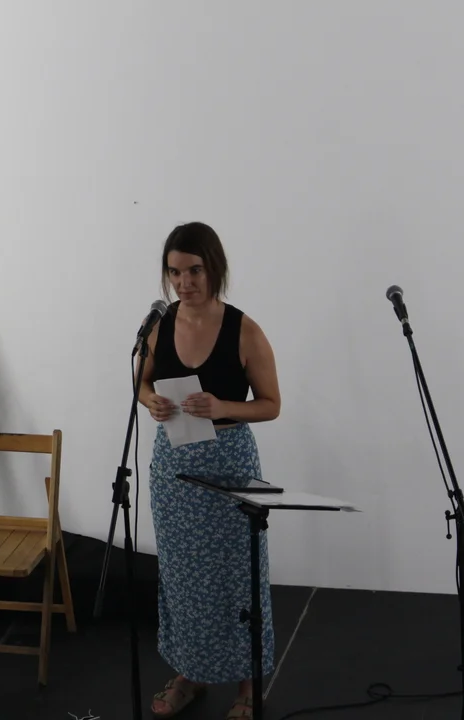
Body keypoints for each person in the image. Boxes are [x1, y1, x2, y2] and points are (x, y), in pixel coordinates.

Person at [138, 222, 281, 719]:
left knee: (239, 575)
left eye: (194, 271)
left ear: (214, 268)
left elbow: (271, 404)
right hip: (174, 468)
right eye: (175, 272)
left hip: (229, 465)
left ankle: (248, 682)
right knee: (182, 577)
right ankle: (190, 673)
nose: (184, 282)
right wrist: (151, 401)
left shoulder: (245, 330)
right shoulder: (160, 325)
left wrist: (223, 406)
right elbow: (142, 383)